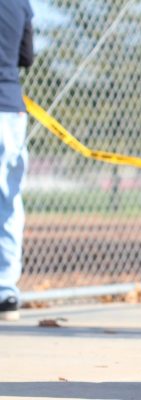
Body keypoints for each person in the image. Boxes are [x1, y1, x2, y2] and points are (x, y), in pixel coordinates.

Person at [0, 0, 34, 322]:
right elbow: (26, 57)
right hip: (9, 108)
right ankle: (5, 290)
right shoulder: (19, 4)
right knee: (8, 199)